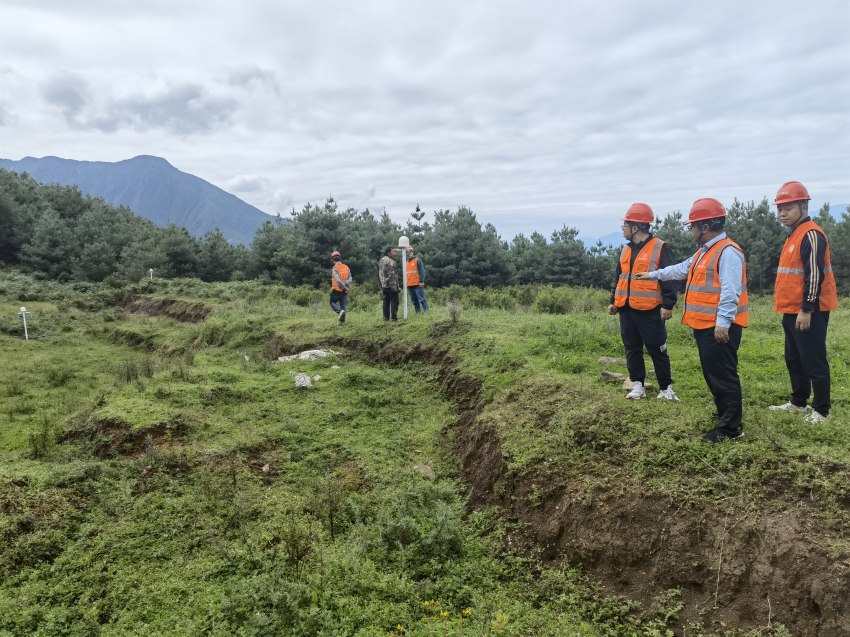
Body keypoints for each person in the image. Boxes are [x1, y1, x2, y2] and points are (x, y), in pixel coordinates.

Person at [635, 198, 749, 443]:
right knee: (713, 373)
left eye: (693, 226)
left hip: (718, 327)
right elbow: (680, 269)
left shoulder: (728, 252)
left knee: (723, 374)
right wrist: (653, 275)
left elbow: (731, 292)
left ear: (705, 227)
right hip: (705, 326)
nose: (691, 230)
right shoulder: (705, 251)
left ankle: (731, 428)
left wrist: (723, 323)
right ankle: (725, 417)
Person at [769, 181, 839, 423]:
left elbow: (815, 275)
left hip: (810, 310)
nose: (782, 213)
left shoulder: (811, 234)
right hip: (791, 310)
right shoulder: (793, 235)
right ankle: (799, 402)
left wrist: (807, 308)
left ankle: (822, 411)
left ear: (803, 205)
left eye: (787, 208)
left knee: (813, 359)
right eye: (779, 209)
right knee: (794, 358)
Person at [607, 203, 679, 400]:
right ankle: (637, 385)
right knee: (632, 348)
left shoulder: (660, 247)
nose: (623, 229)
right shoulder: (625, 250)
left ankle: (666, 389)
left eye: (625, 225)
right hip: (626, 308)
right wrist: (614, 300)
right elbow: (620, 277)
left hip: (650, 310)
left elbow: (669, 276)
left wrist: (668, 304)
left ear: (635, 227)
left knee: (657, 349)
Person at [328, 251, 351, 324]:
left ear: (332, 259)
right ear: (340, 258)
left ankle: (340, 312)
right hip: (345, 290)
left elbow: (338, 280)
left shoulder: (335, 268)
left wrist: (343, 286)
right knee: (343, 305)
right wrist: (346, 284)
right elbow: (350, 278)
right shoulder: (346, 267)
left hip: (337, 290)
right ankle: (342, 323)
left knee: (332, 302)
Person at [405, 247, 429, 313]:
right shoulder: (406, 263)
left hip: (417, 284)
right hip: (409, 285)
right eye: (408, 253)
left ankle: (427, 312)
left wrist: (421, 281)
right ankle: (418, 313)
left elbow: (422, 271)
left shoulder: (417, 260)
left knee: (422, 299)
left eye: (410, 253)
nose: (409, 254)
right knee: (414, 301)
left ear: (413, 253)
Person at [379, 247, 399, 321]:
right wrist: (395, 286)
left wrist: (381, 284)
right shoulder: (391, 262)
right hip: (391, 285)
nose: (395, 253)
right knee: (394, 301)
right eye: (393, 252)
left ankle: (386, 318)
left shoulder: (381, 261)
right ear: (388, 253)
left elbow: (380, 273)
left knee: (386, 302)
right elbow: (392, 275)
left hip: (383, 284)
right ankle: (394, 318)